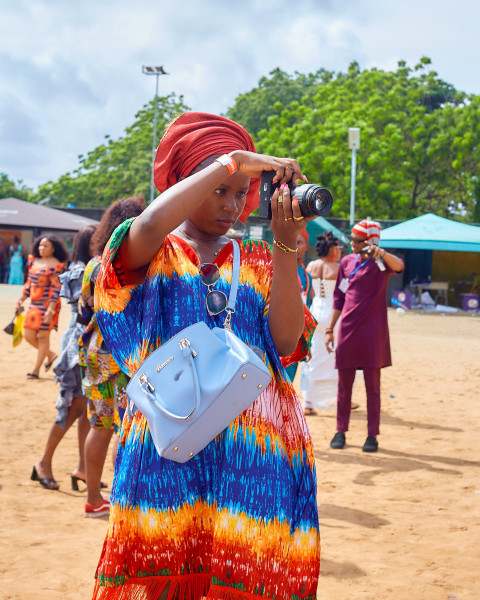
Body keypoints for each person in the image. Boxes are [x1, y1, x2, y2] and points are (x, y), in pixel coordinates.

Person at [90, 112, 320, 599]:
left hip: (252, 452)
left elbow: (284, 344)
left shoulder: (257, 258)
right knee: (164, 570)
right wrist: (231, 163)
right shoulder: (154, 250)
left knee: (238, 572)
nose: (232, 205)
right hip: (169, 443)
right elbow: (150, 222)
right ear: (188, 181)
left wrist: (285, 247)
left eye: (241, 193)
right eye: (220, 189)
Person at [78, 195, 145, 518]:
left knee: (100, 425)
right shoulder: (142, 267)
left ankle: (93, 499)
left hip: (96, 353)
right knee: (127, 427)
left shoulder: (94, 265)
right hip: (130, 356)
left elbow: (83, 308)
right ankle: (120, 499)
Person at [326, 219, 404, 453]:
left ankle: (372, 435)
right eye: (351, 239)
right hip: (347, 330)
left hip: (372, 334)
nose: (351, 243)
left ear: (370, 242)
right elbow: (339, 298)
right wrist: (330, 329)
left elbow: (400, 266)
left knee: (373, 387)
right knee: (343, 386)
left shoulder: (382, 265)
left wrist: (381, 253)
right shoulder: (347, 262)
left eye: (356, 240)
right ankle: (340, 430)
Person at [31, 225, 97, 491]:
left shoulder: (85, 268)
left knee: (87, 412)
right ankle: (43, 462)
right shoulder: (82, 271)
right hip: (78, 347)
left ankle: (83, 468)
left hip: (88, 345)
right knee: (73, 408)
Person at [16, 235, 69, 379]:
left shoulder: (56, 265)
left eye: (45, 246)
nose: (42, 248)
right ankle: (50, 354)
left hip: (48, 306)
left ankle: (35, 371)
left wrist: (51, 311)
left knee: (44, 337)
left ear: (53, 249)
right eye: (40, 245)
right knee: (29, 336)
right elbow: (29, 284)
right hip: (33, 305)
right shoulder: (33, 261)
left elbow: (57, 289)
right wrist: (21, 299)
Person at [303, 232, 343, 415]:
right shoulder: (337, 268)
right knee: (334, 357)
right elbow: (344, 295)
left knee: (315, 356)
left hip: (315, 310)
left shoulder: (311, 265)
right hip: (332, 314)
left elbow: (310, 291)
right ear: (333, 249)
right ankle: (339, 397)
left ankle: (308, 401)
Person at [284, 229, 314, 384]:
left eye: (299, 243)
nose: (295, 246)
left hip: (298, 339)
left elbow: (308, 309)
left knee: (288, 384)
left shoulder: (307, 276)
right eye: (292, 242)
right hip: (279, 337)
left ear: (307, 246)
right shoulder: (278, 269)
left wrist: (307, 343)